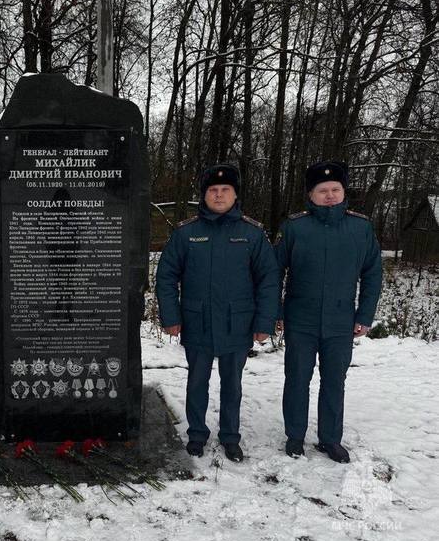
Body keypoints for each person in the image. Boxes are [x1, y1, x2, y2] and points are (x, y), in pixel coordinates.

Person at [156, 165, 279, 462]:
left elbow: (268, 279)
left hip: (237, 322)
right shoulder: (187, 233)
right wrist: (171, 317)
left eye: (225, 190)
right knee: (197, 382)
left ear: (235, 195)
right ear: (204, 195)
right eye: (213, 190)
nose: (219, 195)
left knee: (232, 384)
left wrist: (264, 322)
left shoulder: (252, 233)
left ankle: (230, 436)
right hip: (197, 321)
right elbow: (166, 276)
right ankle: (197, 434)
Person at [276, 160, 382, 463]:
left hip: (341, 320)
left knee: (335, 380)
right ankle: (295, 435)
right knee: (297, 377)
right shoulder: (295, 227)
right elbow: (274, 270)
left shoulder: (360, 228)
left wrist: (364, 315)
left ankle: (330, 439)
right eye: (323, 190)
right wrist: (277, 311)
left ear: (343, 191)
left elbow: (373, 273)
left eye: (335, 189)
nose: (330, 195)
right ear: (311, 194)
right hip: (301, 318)